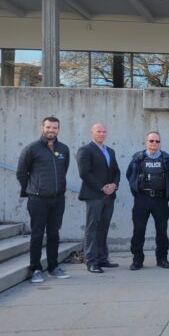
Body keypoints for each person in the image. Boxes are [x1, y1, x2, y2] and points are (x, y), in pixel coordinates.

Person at [16, 116, 71, 283]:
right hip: (38, 199)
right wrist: (33, 190)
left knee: (54, 234)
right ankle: (36, 269)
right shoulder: (31, 148)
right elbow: (21, 173)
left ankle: (53, 267)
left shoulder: (63, 149)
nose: (51, 130)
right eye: (48, 127)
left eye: (54, 128)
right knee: (37, 235)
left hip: (57, 199)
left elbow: (64, 170)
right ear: (42, 128)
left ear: (58, 130)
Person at [126, 131, 169, 271]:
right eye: (151, 141)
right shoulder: (138, 158)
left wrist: (168, 194)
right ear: (146, 142)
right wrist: (136, 191)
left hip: (160, 200)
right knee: (138, 231)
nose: (154, 143)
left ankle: (162, 259)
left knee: (162, 231)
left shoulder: (166, 159)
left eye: (157, 141)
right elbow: (130, 175)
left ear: (160, 143)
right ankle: (137, 260)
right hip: (142, 199)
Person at [76, 122, 120, 274]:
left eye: (104, 131)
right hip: (94, 195)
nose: (102, 134)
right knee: (92, 228)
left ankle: (102, 258)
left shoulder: (110, 151)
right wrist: (102, 187)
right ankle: (91, 261)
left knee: (104, 227)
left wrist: (114, 185)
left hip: (110, 196)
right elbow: (85, 173)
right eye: (98, 131)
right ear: (92, 132)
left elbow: (116, 171)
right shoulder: (85, 150)